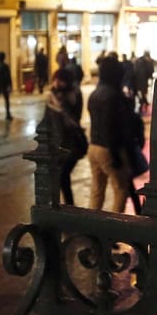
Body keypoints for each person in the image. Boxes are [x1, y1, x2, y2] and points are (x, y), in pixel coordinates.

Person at [87, 56, 134, 213]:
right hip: (109, 148)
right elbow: (111, 127)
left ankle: (91, 226)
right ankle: (114, 228)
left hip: (94, 146)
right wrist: (116, 155)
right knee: (121, 189)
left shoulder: (95, 94)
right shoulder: (114, 96)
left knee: (97, 190)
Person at [47, 68, 85, 205]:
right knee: (61, 178)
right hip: (57, 143)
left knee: (62, 176)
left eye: (60, 80)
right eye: (55, 79)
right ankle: (66, 206)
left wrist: (61, 101)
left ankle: (65, 208)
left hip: (71, 144)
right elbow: (47, 120)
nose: (56, 82)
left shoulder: (73, 96)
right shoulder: (53, 96)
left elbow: (74, 118)